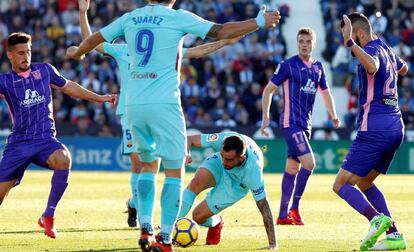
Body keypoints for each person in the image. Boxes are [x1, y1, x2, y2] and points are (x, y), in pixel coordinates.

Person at [67, 1, 280, 251]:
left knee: (146, 165)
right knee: (174, 171)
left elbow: (94, 39)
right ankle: (166, 239)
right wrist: (257, 23)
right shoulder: (177, 18)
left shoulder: (130, 18)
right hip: (164, 104)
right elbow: (220, 30)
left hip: (133, 105)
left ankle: (146, 229)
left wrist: (79, 52)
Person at [0, 32, 116, 239]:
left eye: (28, 52)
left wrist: (100, 99)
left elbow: (70, 87)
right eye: (20, 53)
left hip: (45, 140)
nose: (26, 57)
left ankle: (49, 216)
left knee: (64, 159)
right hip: (19, 143)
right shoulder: (5, 82)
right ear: (9, 55)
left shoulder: (44, 70)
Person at [332, 12, 408, 251]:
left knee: (341, 185)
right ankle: (395, 236)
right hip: (396, 126)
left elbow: (373, 66)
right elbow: (403, 69)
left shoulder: (371, 51)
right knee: (364, 181)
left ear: (360, 33)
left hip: (374, 127)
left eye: (351, 34)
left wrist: (351, 44)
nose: (347, 40)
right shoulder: (384, 46)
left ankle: (376, 219)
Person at [261, 27, 340, 225]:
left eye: (307, 41)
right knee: (310, 163)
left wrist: (334, 115)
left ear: (314, 44)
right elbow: (268, 90)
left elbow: (325, 93)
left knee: (293, 166)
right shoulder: (288, 65)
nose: (304, 45)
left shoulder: (318, 68)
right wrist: (265, 118)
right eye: (301, 41)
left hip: (306, 125)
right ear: (297, 43)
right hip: (290, 123)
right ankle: (294, 208)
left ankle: (281, 215)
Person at [179, 132, 277, 250]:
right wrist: (186, 153)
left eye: (229, 159)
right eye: (223, 156)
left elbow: (264, 206)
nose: (224, 161)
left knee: (197, 217)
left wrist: (273, 244)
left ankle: (217, 222)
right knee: (195, 183)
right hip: (217, 166)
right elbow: (190, 139)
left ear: (242, 158)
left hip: (236, 185)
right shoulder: (224, 140)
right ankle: (169, 229)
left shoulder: (253, 171)